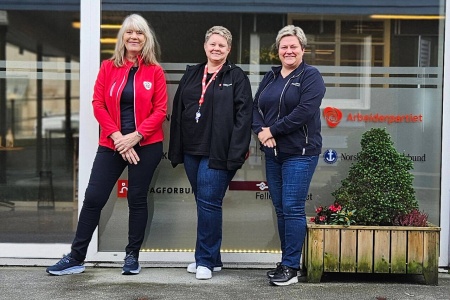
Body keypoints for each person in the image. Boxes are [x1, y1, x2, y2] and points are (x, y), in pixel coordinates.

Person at [46, 14, 167, 276]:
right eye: (129, 33)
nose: (134, 37)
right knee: (93, 198)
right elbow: (98, 104)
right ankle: (77, 256)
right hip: (112, 144)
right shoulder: (108, 67)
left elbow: (160, 111)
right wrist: (117, 138)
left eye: (140, 33)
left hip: (146, 145)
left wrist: (135, 137)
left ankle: (132, 257)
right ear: (122, 38)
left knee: (136, 199)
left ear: (146, 38)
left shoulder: (154, 71)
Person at [168, 26, 253, 280]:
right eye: (212, 44)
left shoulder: (236, 77)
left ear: (229, 49)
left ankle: (204, 259)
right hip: (192, 150)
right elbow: (179, 108)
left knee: (208, 203)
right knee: (205, 204)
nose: (216, 48)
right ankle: (212, 258)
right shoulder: (192, 73)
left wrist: (235, 154)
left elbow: (244, 117)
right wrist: (177, 148)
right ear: (205, 46)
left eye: (222, 45)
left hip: (218, 152)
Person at [252, 25, 326, 286]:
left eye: (293, 46)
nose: (288, 51)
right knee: (281, 209)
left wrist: (272, 129)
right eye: (284, 47)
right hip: (273, 153)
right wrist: (261, 131)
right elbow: (255, 107)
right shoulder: (271, 76)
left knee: (293, 208)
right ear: (278, 51)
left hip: (300, 153)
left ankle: (292, 268)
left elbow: (304, 112)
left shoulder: (311, 76)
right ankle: (286, 261)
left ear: (302, 49)